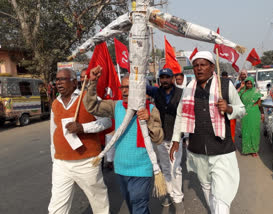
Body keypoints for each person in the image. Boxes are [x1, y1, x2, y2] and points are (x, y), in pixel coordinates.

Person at [170, 51, 245, 214]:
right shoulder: (189, 89)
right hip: (198, 150)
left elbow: (242, 109)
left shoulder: (225, 85)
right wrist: (176, 139)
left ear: (212, 67)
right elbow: (181, 114)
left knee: (221, 195)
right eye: (196, 65)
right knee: (206, 187)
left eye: (203, 65)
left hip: (221, 150)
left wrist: (229, 108)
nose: (199, 69)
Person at [84, 68, 164, 214]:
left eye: (129, 87)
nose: (125, 91)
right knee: (132, 205)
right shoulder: (116, 106)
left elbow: (158, 138)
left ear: (139, 88)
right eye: (123, 87)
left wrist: (149, 119)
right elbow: (92, 106)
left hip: (142, 170)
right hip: (121, 169)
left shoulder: (150, 109)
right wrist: (93, 82)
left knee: (138, 205)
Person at [48, 68, 111, 214]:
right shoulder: (55, 104)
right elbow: (53, 131)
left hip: (86, 162)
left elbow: (107, 121)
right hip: (61, 163)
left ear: (74, 82)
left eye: (62, 79)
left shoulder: (88, 98)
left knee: (98, 200)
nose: (58, 83)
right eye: (57, 80)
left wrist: (83, 127)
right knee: (57, 205)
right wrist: (54, 157)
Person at [147, 68, 185, 213]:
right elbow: (141, 85)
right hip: (161, 137)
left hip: (176, 137)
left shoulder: (182, 93)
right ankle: (169, 193)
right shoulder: (156, 92)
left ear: (173, 79)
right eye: (162, 77)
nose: (164, 80)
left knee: (176, 167)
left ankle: (178, 197)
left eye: (167, 77)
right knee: (165, 167)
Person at [238, 76, 264, 156]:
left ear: (253, 84)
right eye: (247, 83)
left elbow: (260, 104)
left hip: (254, 113)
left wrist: (262, 113)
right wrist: (240, 87)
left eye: (250, 83)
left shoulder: (256, 92)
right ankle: (246, 149)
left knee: (254, 131)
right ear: (245, 83)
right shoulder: (242, 91)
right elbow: (234, 98)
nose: (249, 85)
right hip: (245, 114)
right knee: (245, 131)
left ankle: (254, 150)